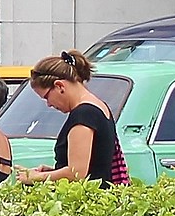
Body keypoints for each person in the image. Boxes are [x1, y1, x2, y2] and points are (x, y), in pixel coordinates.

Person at [18, 51, 127, 185]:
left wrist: (33, 178)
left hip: (88, 201)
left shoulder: (84, 114)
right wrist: (51, 172)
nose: (49, 104)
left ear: (59, 86)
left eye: (46, 97)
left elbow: (77, 173)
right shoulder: (99, 106)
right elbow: (95, 167)